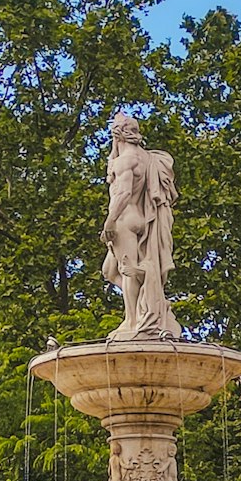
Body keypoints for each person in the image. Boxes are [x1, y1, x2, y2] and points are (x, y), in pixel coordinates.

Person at [100, 111, 180, 341]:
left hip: (124, 219)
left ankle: (132, 321)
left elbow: (124, 192)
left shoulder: (127, 159)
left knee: (128, 271)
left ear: (118, 135)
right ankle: (152, 301)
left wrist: (110, 221)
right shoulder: (145, 157)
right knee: (110, 271)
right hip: (138, 218)